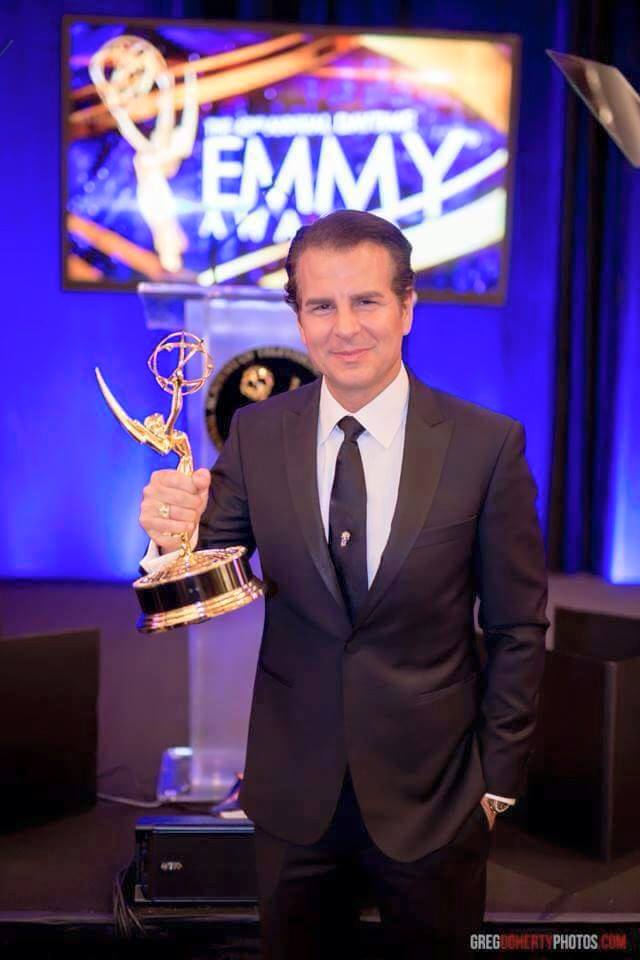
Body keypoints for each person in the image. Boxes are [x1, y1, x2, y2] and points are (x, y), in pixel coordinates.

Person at [139, 210, 549, 959]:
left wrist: (495, 786)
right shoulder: (258, 434)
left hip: (438, 799)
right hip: (294, 796)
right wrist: (167, 540)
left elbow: (519, 628)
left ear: (407, 308)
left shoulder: (487, 446)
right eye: (321, 306)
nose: (345, 327)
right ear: (298, 317)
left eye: (367, 302)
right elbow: (203, 574)